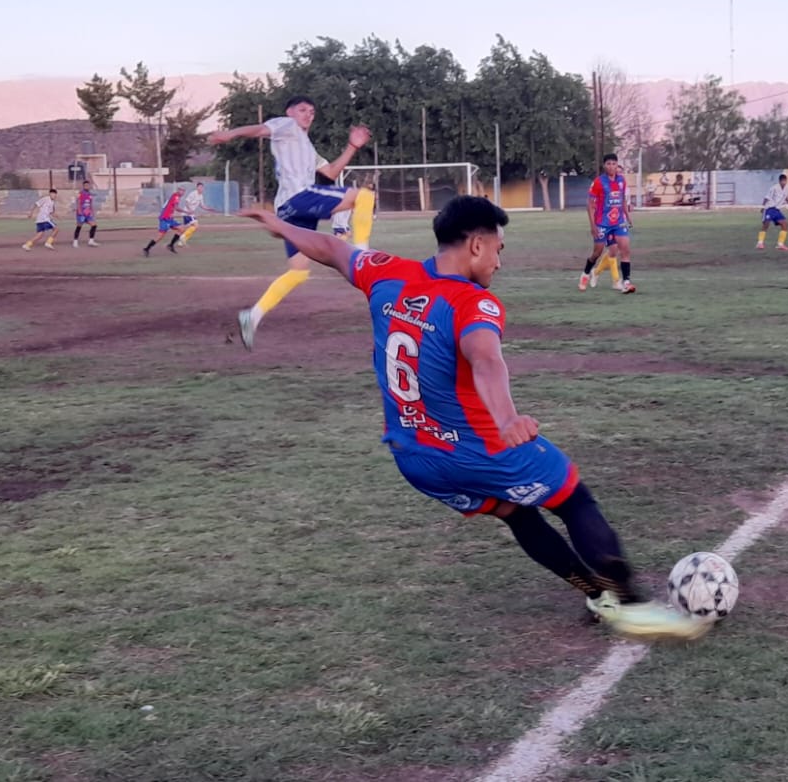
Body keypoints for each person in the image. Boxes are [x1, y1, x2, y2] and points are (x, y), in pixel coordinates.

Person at [237, 195, 708, 640]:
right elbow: (486, 358)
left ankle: (595, 596)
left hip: (413, 456)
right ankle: (629, 605)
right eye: (498, 250)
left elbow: (331, 247)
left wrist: (278, 224)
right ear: (476, 244)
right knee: (573, 498)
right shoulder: (472, 302)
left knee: (517, 515)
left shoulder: (386, 272)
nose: (499, 263)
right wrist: (506, 418)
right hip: (478, 449)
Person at [206, 96, 376, 349]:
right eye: (303, 109)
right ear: (290, 112)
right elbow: (260, 129)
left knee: (298, 271)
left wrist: (352, 146)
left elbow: (330, 173)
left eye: (312, 111)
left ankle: (252, 317)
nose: (308, 114)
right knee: (364, 196)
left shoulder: (307, 147)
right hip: (298, 197)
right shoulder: (287, 125)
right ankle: (361, 255)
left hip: (288, 210)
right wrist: (230, 134)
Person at [578, 153, 634, 293]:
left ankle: (626, 282)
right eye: (608, 163)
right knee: (597, 252)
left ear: (617, 165)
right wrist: (593, 225)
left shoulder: (622, 180)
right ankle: (586, 273)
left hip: (619, 222)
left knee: (625, 249)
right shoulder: (598, 182)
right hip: (602, 223)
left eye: (614, 163)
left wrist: (627, 217)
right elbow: (590, 205)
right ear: (604, 166)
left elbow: (622, 201)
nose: (611, 166)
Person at [143, 186, 186, 256]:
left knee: (181, 228)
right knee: (160, 236)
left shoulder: (175, 196)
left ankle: (170, 245)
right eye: (181, 190)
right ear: (178, 190)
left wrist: (172, 213)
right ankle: (147, 249)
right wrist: (186, 211)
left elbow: (171, 207)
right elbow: (176, 208)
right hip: (165, 218)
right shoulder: (176, 197)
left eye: (184, 191)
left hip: (169, 218)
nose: (182, 192)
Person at [757, 173, 788, 250]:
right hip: (769, 208)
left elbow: (787, 198)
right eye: (782, 181)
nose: (784, 182)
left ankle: (780, 244)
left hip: (777, 210)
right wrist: (762, 207)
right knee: (766, 225)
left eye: (785, 181)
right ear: (780, 181)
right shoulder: (774, 188)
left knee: (785, 224)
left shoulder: (787, 188)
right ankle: (760, 243)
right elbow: (766, 197)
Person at [73, 181, 99, 247]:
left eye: (88, 185)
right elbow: (78, 202)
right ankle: (75, 241)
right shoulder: (81, 193)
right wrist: (79, 212)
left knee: (94, 225)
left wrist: (92, 212)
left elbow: (91, 204)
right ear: (83, 186)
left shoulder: (90, 194)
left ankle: (91, 241)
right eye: (85, 185)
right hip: (81, 213)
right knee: (79, 226)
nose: (87, 186)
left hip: (88, 214)